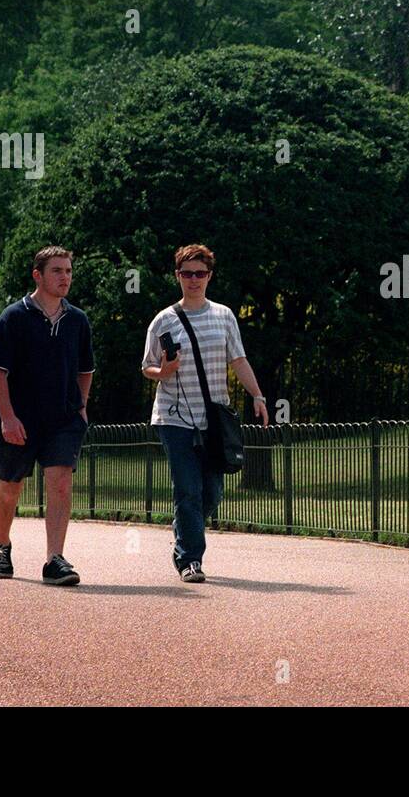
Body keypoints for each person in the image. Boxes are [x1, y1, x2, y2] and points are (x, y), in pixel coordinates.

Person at [141, 244, 270, 583]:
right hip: (174, 416)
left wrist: (257, 395)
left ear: (210, 276)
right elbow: (147, 366)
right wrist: (163, 372)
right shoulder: (164, 320)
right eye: (187, 274)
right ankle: (190, 559)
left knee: (211, 492)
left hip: (213, 418)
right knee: (187, 489)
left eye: (200, 273)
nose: (193, 279)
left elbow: (238, 359)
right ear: (177, 276)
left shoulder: (224, 316)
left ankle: (185, 526)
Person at [0, 246, 95, 585]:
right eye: (57, 271)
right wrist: (7, 417)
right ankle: (1, 545)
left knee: (60, 484)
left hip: (62, 419)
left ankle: (54, 560)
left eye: (68, 271)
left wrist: (81, 407)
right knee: (10, 487)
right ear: (38, 275)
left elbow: (86, 369)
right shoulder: (14, 317)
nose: (65, 277)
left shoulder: (77, 320)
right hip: (21, 418)